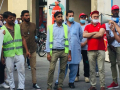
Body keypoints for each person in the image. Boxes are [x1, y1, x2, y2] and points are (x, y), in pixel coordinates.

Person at [1, 11, 31, 90]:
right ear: (5, 19)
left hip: (19, 52)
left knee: (21, 70)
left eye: (13, 18)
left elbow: (23, 39)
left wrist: (27, 51)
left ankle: (21, 87)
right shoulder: (2, 30)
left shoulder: (18, 26)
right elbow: (1, 45)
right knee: (10, 71)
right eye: (10, 18)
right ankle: (12, 87)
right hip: (8, 54)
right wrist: (2, 57)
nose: (12, 19)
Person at [46, 11, 71, 90]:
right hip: (54, 51)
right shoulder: (50, 27)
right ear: (55, 18)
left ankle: (60, 85)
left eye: (61, 16)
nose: (60, 18)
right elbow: (48, 41)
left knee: (62, 69)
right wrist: (48, 53)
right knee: (51, 69)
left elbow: (69, 41)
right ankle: (49, 86)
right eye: (58, 17)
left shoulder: (66, 27)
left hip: (64, 51)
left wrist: (69, 53)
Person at [83, 10, 106, 90]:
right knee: (92, 69)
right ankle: (93, 85)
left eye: (97, 16)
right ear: (91, 17)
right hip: (91, 50)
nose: (96, 18)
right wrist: (94, 33)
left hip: (101, 49)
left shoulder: (102, 25)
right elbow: (84, 35)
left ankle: (102, 86)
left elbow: (100, 34)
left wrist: (90, 34)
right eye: (94, 17)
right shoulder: (87, 26)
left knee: (101, 68)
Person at [20, 10, 41, 89]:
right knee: (22, 67)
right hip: (22, 50)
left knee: (33, 67)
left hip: (32, 49)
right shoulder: (19, 26)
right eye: (26, 15)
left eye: (28, 15)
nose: (28, 17)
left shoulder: (33, 25)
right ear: (22, 17)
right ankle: (21, 84)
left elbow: (34, 34)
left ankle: (34, 83)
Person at [106, 5, 120, 89]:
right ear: (112, 12)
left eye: (117, 10)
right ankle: (115, 82)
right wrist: (110, 44)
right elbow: (107, 34)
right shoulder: (108, 21)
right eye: (114, 10)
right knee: (113, 64)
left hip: (119, 46)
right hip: (111, 46)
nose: (116, 11)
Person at [75, 13, 90, 83]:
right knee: (77, 62)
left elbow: (90, 36)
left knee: (86, 62)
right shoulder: (77, 26)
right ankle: (76, 75)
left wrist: (84, 43)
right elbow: (75, 36)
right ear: (79, 18)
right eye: (81, 17)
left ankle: (86, 76)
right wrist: (79, 43)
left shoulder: (88, 26)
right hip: (78, 47)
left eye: (84, 17)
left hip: (86, 47)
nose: (83, 18)